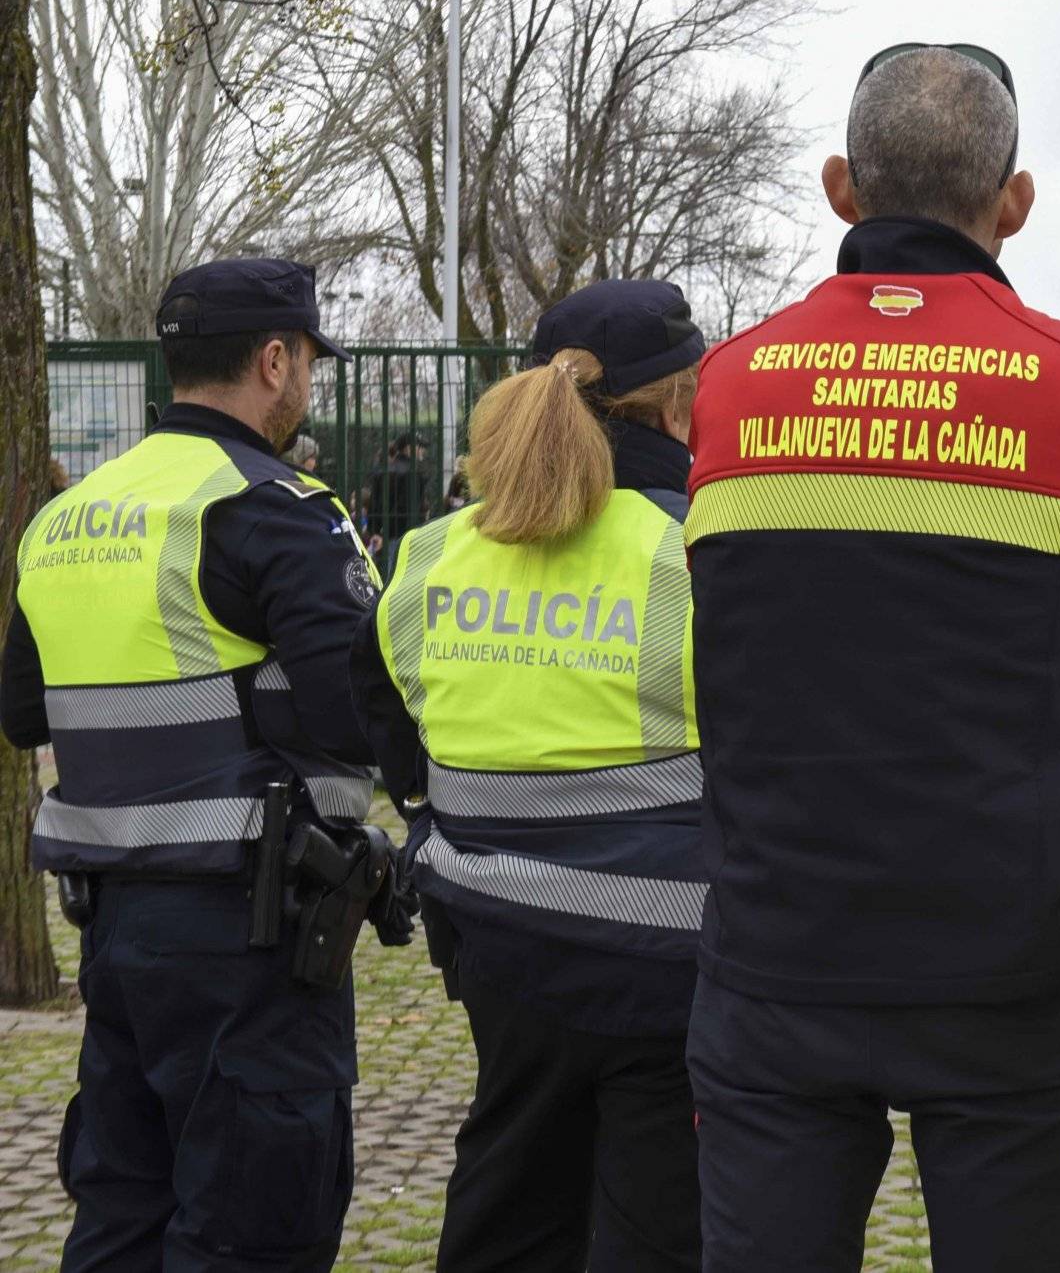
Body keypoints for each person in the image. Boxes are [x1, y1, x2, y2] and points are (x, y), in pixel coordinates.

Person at [680, 43, 1060, 1270]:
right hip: (1004, 971)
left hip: (774, 956)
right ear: (1012, 201)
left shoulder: (730, 383)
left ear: (839, 187)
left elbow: (744, 635)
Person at [3, 258, 383, 1272]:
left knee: (122, 1204)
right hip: (250, 930)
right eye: (306, 357)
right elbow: (359, 713)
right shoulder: (278, 505)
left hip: (115, 927)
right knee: (254, 1221)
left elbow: (22, 711)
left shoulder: (67, 517)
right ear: (274, 360)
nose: (307, 378)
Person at [353, 280, 708, 1272]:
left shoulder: (432, 554)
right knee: (659, 1231)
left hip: (499, 951)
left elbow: (386, 726)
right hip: (669, 970)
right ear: (679, 401)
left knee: (508, 1206)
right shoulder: (700, 550)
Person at [365, 431, 429, 556]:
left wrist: (376, 532)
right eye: (420, 446)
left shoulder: (382, 471)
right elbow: (407, 509)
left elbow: (374, 505)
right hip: (406, 536)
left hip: (382, 538)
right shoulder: (414, 473)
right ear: (410, 447)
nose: (423, 451)